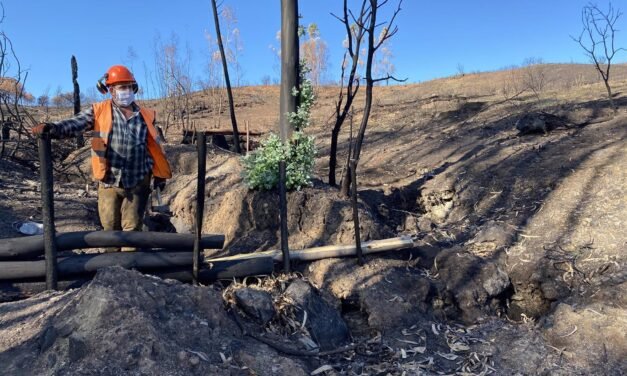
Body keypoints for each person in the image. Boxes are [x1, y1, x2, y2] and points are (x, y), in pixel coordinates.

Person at [32, 65, 172, 249]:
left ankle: (130, 270)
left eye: (128, 86)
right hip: (109, 180)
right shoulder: (99, 111)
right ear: (111, 90)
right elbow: (76, 123)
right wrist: (53, 128)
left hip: (139, 180)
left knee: (133, 230)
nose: (125, 91)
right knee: (110, 230)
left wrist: (160, 175)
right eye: (121, 87)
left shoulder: (145, 115)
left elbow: (156, 147)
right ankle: (110, 268)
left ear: (134, 88)